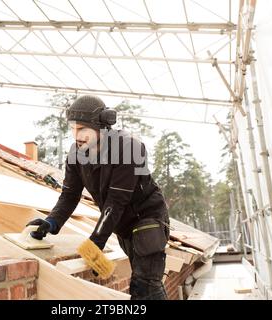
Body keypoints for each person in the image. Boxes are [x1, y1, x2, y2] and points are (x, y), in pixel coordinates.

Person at [27, 95, 171, 300]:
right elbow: (69, 195)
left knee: (144, 285)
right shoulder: (76, 155)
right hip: (123, 225)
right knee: (145, 282)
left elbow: (116, 201)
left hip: (147, 220)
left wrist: (96, 243)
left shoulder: (128, 148)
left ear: (101, 127)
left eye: (82, 129)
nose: (76, 136)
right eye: (73, 129)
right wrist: (51, 222)